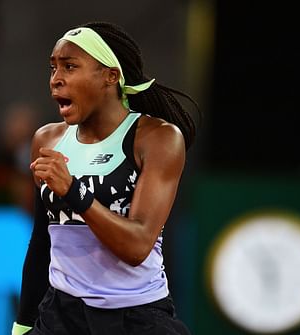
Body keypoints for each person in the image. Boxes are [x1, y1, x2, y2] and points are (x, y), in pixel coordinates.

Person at [12, 21, 198, 335]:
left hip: (135, 319)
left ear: (110, 76)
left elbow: (137, 246)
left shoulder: (157, 138)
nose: (56, 80)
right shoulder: (47, 140)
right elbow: (42, 240)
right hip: (60, 317)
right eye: (53, 68)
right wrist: (23, 324)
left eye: (69, 67)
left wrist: (73, 190)